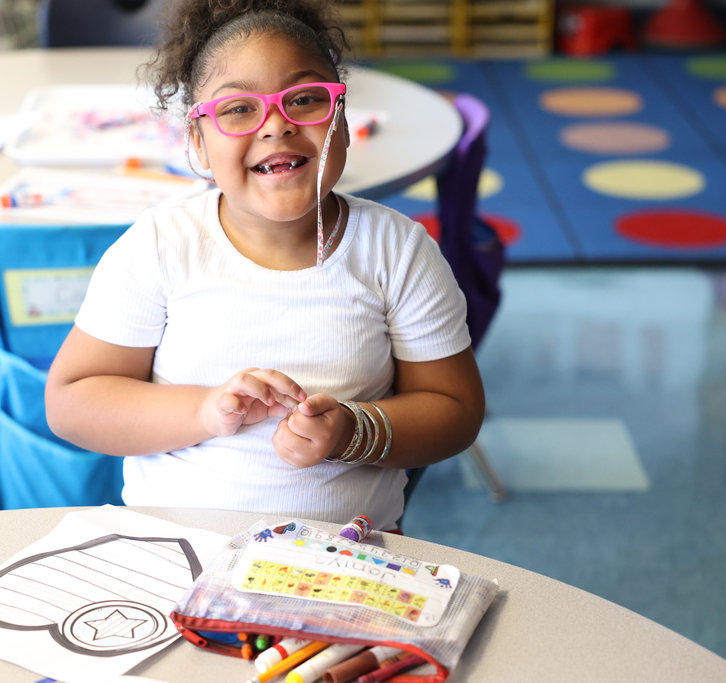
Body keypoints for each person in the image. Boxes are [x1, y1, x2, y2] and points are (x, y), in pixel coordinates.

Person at [44, 0, 484, 531]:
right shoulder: (160, 246)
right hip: (176, 548)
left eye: (305, 99)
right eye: (238, 109)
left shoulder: (398, 250)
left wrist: (352, 431)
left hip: (347, 558)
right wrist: (204, 412)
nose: (276, 125)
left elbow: (455, 410)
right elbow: (72, 402)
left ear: (342, 120)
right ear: (197, 143)